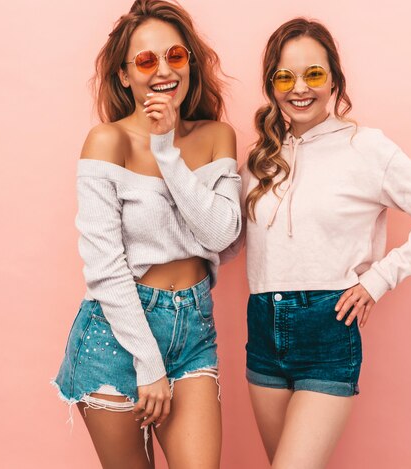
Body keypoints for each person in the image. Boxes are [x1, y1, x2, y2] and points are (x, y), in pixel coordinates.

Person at [229, 18, 411, 468]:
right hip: (262, 327)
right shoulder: (261, 160)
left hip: (328, 328)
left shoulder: (367, 148)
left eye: (313, 74)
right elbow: (229, 242)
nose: (300, 88)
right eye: (284, 76)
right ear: (271, 85)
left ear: (334, 78)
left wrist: (378, 280)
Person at [52, 1, 241, 467]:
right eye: (146, 60)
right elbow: (105, 269)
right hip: (116, 334)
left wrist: (167, 149)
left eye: (175, 56)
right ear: (124, 74)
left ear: (189, 63)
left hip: (192, 329)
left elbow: (220, 235)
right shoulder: (106, 141)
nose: (163, 71)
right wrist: (148, 364)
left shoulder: (217, 135)